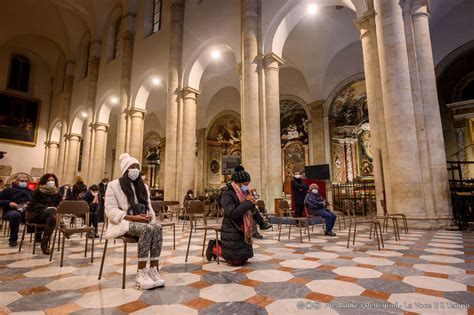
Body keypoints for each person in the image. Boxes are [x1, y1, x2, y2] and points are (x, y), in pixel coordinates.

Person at [104, 153, 165, 290]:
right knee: (147, 229)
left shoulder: (143, 187)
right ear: (126, 169)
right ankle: (141, 273)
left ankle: (153, 269)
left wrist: (149, 216)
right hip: (123, 223)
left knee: (157, 228)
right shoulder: (114, 186)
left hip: (142, 221)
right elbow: (110, 210)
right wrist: (132, 217)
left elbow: (149, 206)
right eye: (132, 166)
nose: (135, 169)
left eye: (137, 166)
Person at [217, 165, 272, 265]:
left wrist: (260, 221)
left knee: (244, 259)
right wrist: (248, 203)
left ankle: (262, 223)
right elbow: (232, 213)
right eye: (245, 184)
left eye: (248, 184)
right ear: (237, 183)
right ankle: (214, 248)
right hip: (232, 227)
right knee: (235, 261)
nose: (246, 186)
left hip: (243, 226)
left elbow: (250, 209)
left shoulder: (245, 191)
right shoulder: (227, 193)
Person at [27, 174, 63, 254]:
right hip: (38, 214)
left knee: (52, 217)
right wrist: (46, 208)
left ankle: (44, 243)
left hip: (51, 215)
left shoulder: (57, 191)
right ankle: (63, 225)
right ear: (44, 181)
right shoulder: (38, 190)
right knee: (52, 212)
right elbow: (32, 204)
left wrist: (59, 206)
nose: (51, 182)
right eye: (49, 180)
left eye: (52, 180)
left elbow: (59, 203)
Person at [0, 174, 33, 246]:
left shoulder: (30, 191)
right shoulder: (9, 190)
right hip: (11, 210)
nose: (24, 182)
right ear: (16, 181)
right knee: (15, 215)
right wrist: (8, 202)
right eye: (22, 181)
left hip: (26, 211)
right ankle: (13, 239)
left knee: (41, 213)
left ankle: (39, 238)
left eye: (25, 181)